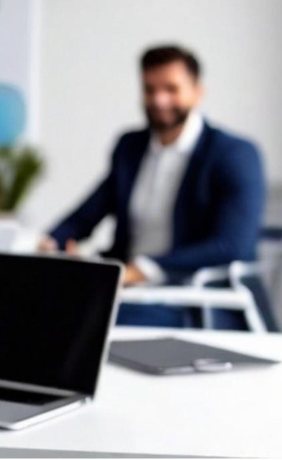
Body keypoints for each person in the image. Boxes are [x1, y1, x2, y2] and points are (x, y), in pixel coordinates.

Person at [39, 45, 266, 328]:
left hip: (190, 298)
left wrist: (140, 270)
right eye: (149, 89)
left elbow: (232, 244)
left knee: (79, 320)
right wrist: (51, 244)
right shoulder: (131, 147)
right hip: (127, 290)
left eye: (171, 89)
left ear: (197, 91)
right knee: (33, 303)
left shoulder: (233, 154)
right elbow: (87, 214)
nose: (159, 100)